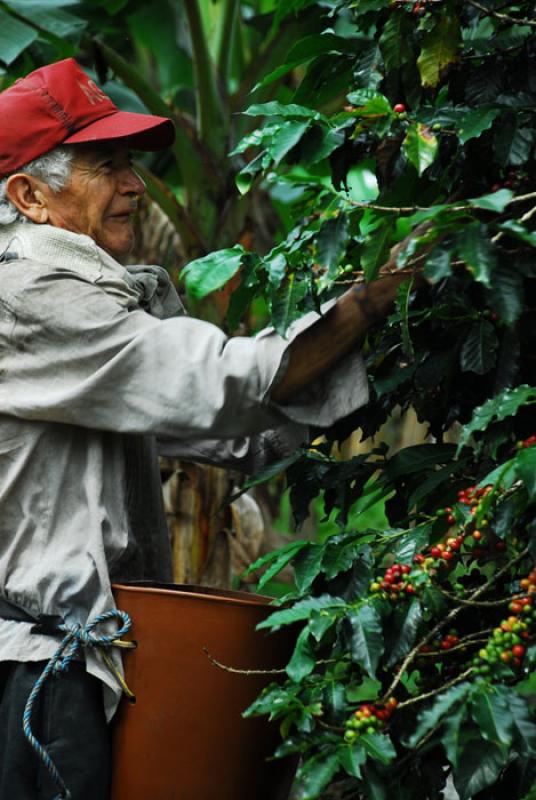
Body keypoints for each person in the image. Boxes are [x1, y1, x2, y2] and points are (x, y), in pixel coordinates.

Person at [0, 59, 412, 799]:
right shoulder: (28, 301)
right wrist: (367, 304)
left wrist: (387, 347)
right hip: (35, 676)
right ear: (29, 195)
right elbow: (220, 382)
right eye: (107, 167)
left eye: (130, 164)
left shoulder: (87, 300)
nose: (135, 185)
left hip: (72, 662)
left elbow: (237, 438)